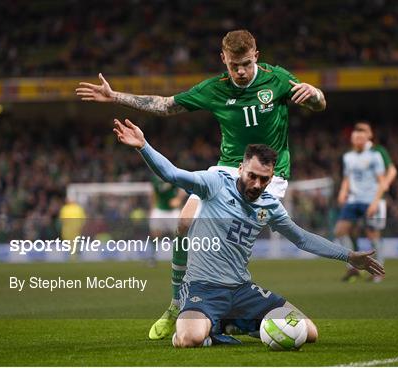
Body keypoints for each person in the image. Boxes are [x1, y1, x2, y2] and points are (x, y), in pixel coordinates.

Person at [76, 29, 327, 339]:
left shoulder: (277, 79)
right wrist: (115, 97)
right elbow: (167, 105)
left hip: (268, 177)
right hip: (225, 170)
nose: (240, 72)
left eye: (246, 64)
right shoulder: (215, 89)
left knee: (230, 241)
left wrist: (313, 93)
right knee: (183, 223)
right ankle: (177, 304)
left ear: (257, 57)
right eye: (234, 65)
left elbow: (319, 105)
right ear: (223, 59)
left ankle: (228, 313)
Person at [112, 118, 384, 347]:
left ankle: (228, 323)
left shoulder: (269, 205)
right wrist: (143, 147)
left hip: (242, 290)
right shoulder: (215, 184)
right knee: (187, 339)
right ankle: (211, 327)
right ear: (240, 168)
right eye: (251, 175)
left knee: (308, 333)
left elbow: (301, 238)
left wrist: (348, 255)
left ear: (271, 176)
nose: (256, 183)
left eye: (264, 179)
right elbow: (172, 174)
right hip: (202, 288)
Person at [341, 121, 397, 282]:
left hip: (374, 199)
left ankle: (378, 271)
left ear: (370, 134)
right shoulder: (354, 153)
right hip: (356, 199)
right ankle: (353, 267)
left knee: (373, 233)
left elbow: (392, 170)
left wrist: (384, 184)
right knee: (348, 231)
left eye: (364, 130)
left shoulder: (378, 151)